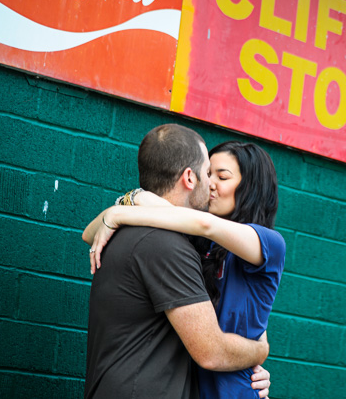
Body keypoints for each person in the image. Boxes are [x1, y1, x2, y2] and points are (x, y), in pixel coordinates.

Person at [84, 138, 286, 399]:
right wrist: (134, 197)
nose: (210, 183)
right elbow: (90, 234)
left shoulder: (269, 243)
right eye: (209, 173)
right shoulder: (204, 245)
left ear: (251, 188)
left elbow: (204, 224)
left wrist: (119, 214)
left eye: (222, 177)